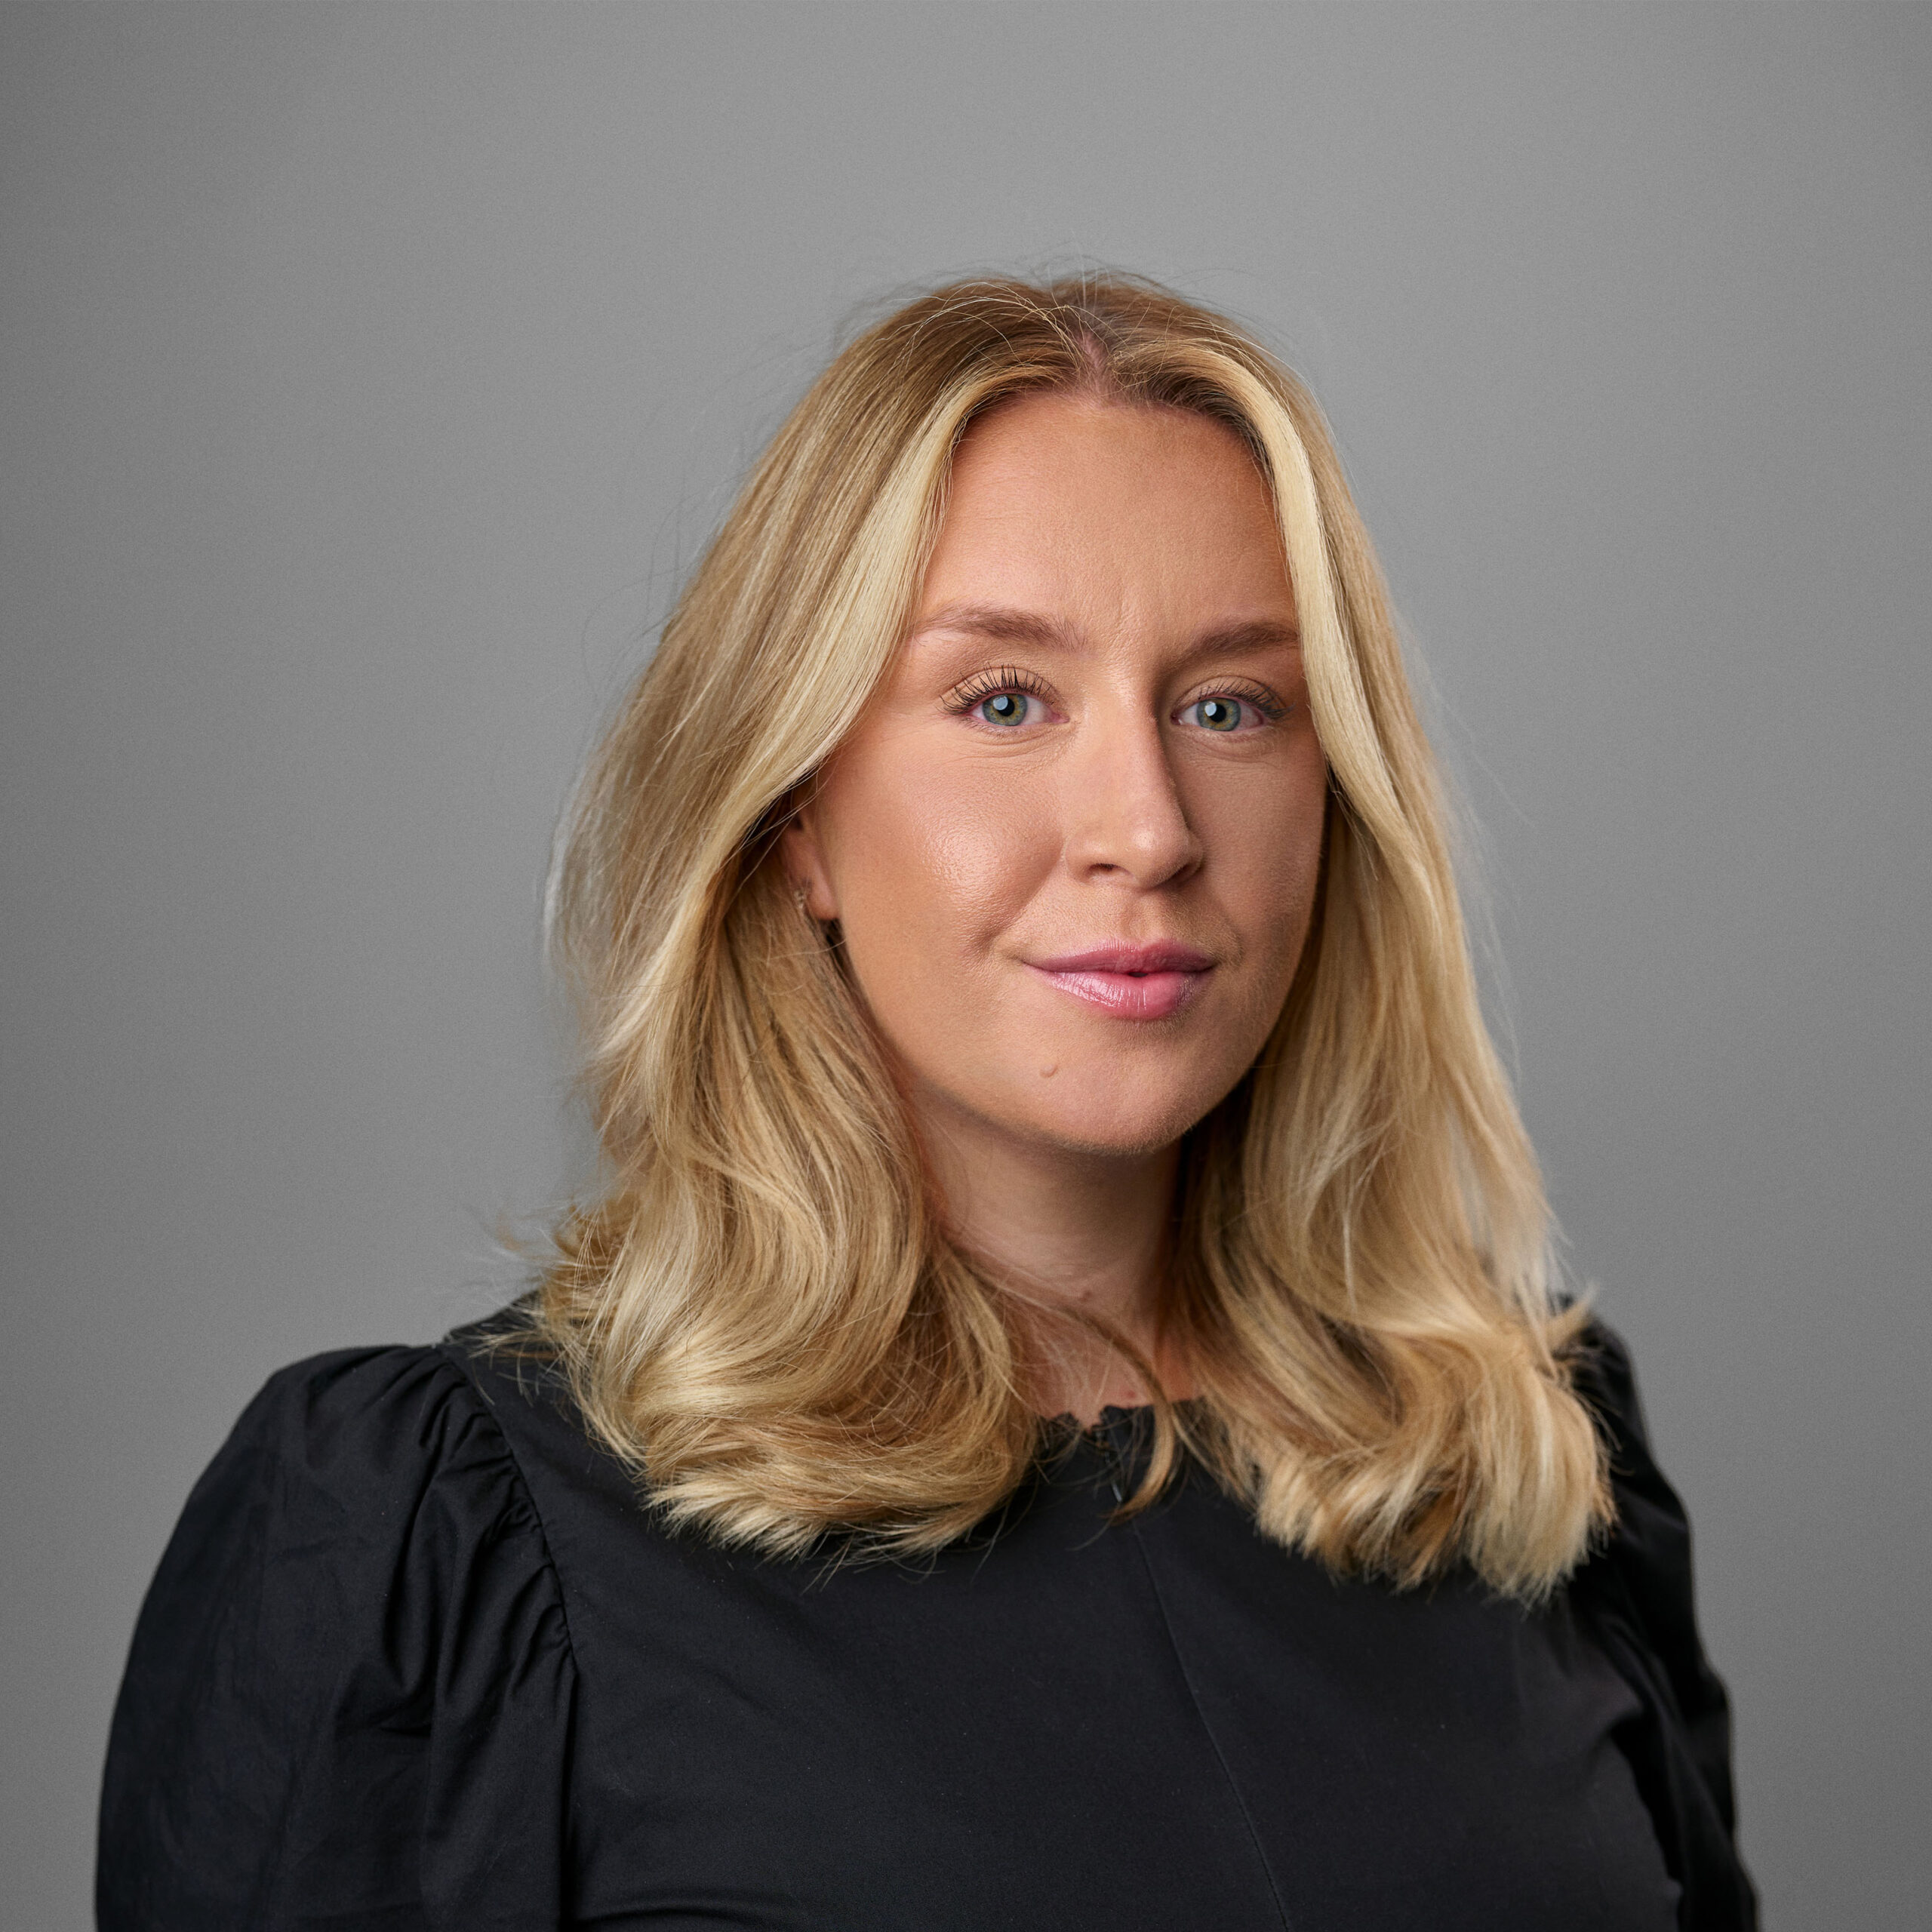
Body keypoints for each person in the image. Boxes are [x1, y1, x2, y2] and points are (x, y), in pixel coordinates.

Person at [97, 274, 1756, 1930]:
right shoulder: (443, 1542)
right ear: (796, 816)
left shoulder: (1527, 1457)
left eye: (1228, 706)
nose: (1148, 828)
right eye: (1004, 701)